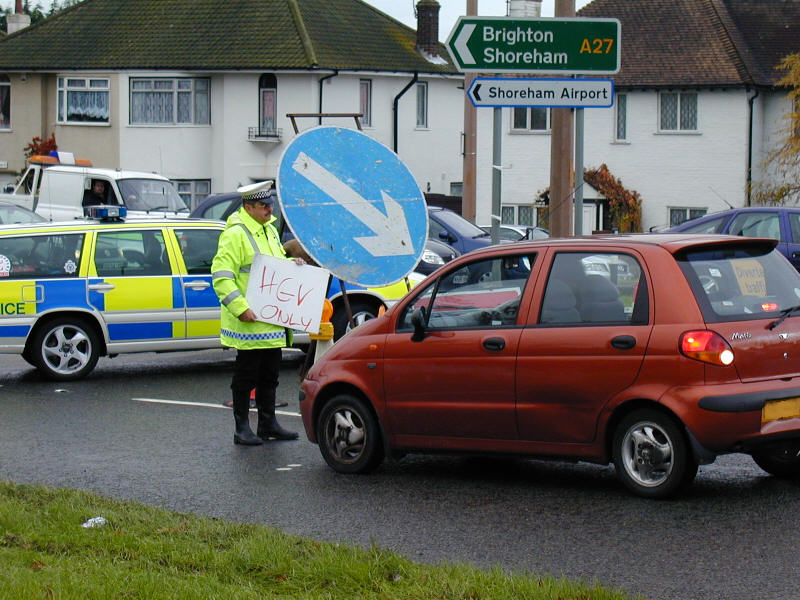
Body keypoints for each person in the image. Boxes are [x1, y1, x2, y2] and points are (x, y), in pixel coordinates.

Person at [211, 180, 305, 445]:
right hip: (250, 322)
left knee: (270, 376)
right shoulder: (235, 233)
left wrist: (292, 263)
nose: (269, 209)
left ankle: (268, 423)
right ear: (249, 207)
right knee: (246, 377)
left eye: (270, 204)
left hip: (272, 322)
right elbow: (221, 276)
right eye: (264, 205)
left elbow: (272, 266)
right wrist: (241, 308)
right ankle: (242, 428)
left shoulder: (269, 230)